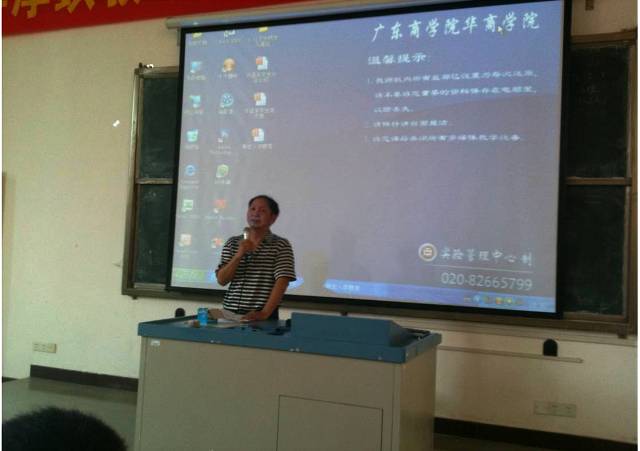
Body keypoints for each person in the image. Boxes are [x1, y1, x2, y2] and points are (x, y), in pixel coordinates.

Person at [215, 195, 296, 321]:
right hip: (229, 313)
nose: (256, 214)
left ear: (273, 217)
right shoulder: (233, 242)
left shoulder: (280, 245)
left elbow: (282, 281)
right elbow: (222, 280)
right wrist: (238, 256)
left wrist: (264, 313)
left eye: (262, 211)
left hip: (261, 316)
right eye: (252, 209)